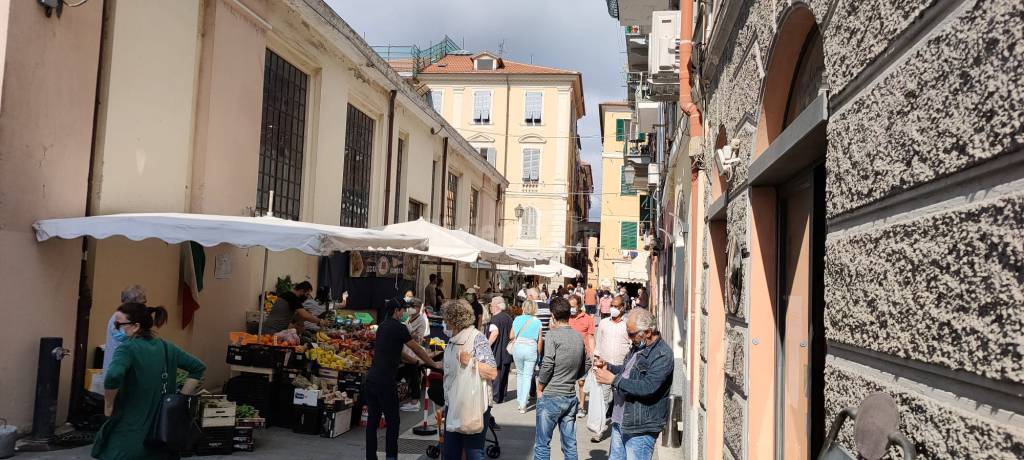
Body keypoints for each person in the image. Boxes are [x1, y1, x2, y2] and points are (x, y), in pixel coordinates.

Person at [91, 303, 205, 460]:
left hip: (129, 435)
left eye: (118, 324)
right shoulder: (167, 348)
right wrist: (179, 400)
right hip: (164, 435)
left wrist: (108, 404)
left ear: (136, 326)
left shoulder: (127, 349)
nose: (115, 328)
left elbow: (113, 375)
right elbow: (198, 368)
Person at [593, 308, 673, 460]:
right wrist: (608, 367)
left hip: (640, 428)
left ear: (648, 332)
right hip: (621, 420)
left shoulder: (662, 355)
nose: (629, 338)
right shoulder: (639, 348)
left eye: (631, 334)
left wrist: (613, 380)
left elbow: (648, 387)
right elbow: (626, 372)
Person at [365, 299, 441, 460]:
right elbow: (416, 348)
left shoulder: (382, 326)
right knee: (393, 421)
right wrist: (433, 363)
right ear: (396, 311)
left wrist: (416, 362)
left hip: (372, 379)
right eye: (403, 310)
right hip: (385, 381)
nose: (404, 313)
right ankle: (391, 456)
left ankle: (370, 456)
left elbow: (398, 352)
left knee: (372, 421)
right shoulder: (399, 328)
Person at [441, 300, 498, 460]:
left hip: (475, 405)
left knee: (473, 453)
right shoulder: (453, 340)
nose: (444, 322)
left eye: (446, 318)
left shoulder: (476, 338)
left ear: (454, 319)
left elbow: (492, 372)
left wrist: (471, 363)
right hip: (453, 403)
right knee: (450, 453)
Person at [534, 297, 588, 460]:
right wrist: (574, 376)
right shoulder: (578, 336)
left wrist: (540, 385)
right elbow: (587, 362)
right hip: (570, 396)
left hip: (551, 394)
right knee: (570, 444)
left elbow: (548, 362)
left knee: (543, 444)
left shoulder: (552, 335)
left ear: (553, 315)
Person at [591, 295, 632, 442]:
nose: (613, 309)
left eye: (616, 306)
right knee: (603, 399)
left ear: (623, 307)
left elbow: (632, 345)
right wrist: (595, 361)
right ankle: (599, 430)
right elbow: (598, 344)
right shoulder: (603, 323)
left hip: (622, 369)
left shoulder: (627, 325)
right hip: (605, 366)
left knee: (620, 401)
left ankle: (620, 428)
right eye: (612, 306)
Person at [103, 285, 148, 372]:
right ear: (132, 303)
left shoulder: (129, 317)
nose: (144, 307)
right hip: (117, 368)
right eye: (141, 304)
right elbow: (123, 337)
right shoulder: (118, 318)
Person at [510, 299, 543, 414]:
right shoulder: (537, 321)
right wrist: (538, 353)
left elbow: (511, 335)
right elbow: (539, 341)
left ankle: (520, 400)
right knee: (528, 376)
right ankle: (523, 403)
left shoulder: (517, 319)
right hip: (531, 348)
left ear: (523, 308)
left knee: (520, 374)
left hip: (518, 348)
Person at [399, 294, 429, 412]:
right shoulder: (409, 317)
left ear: (418, 307)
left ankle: (415, 401)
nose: (411, 308)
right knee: (408, 374)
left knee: (414, 374)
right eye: (410, 306)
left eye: (414, 306)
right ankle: (410, 397)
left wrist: (409, 329)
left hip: (414, 351)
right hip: (406, 350)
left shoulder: (421, 320)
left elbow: (419, 338)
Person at [567, 295, 595, 419]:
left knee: (581, 382)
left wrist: (593, 355)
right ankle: (568, 406)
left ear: (579, 305)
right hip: (567, 355)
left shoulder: (588, 319)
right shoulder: (565, 318)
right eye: (569, 306)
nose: (571, 308)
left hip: (583, 355)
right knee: (567, 381)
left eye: (573, 306)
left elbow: (590, 337)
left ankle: (581, 406)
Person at [485, 296, 513, 406]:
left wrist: (486, 345)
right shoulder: (508, 317)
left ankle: (496, 397)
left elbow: (494, 333)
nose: (490, 308)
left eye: (491, 305)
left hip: (497, 350)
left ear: (496, 306)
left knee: (496, 373)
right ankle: (502, 395)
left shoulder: (495, 319)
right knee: (504, 373)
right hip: (506, 350)